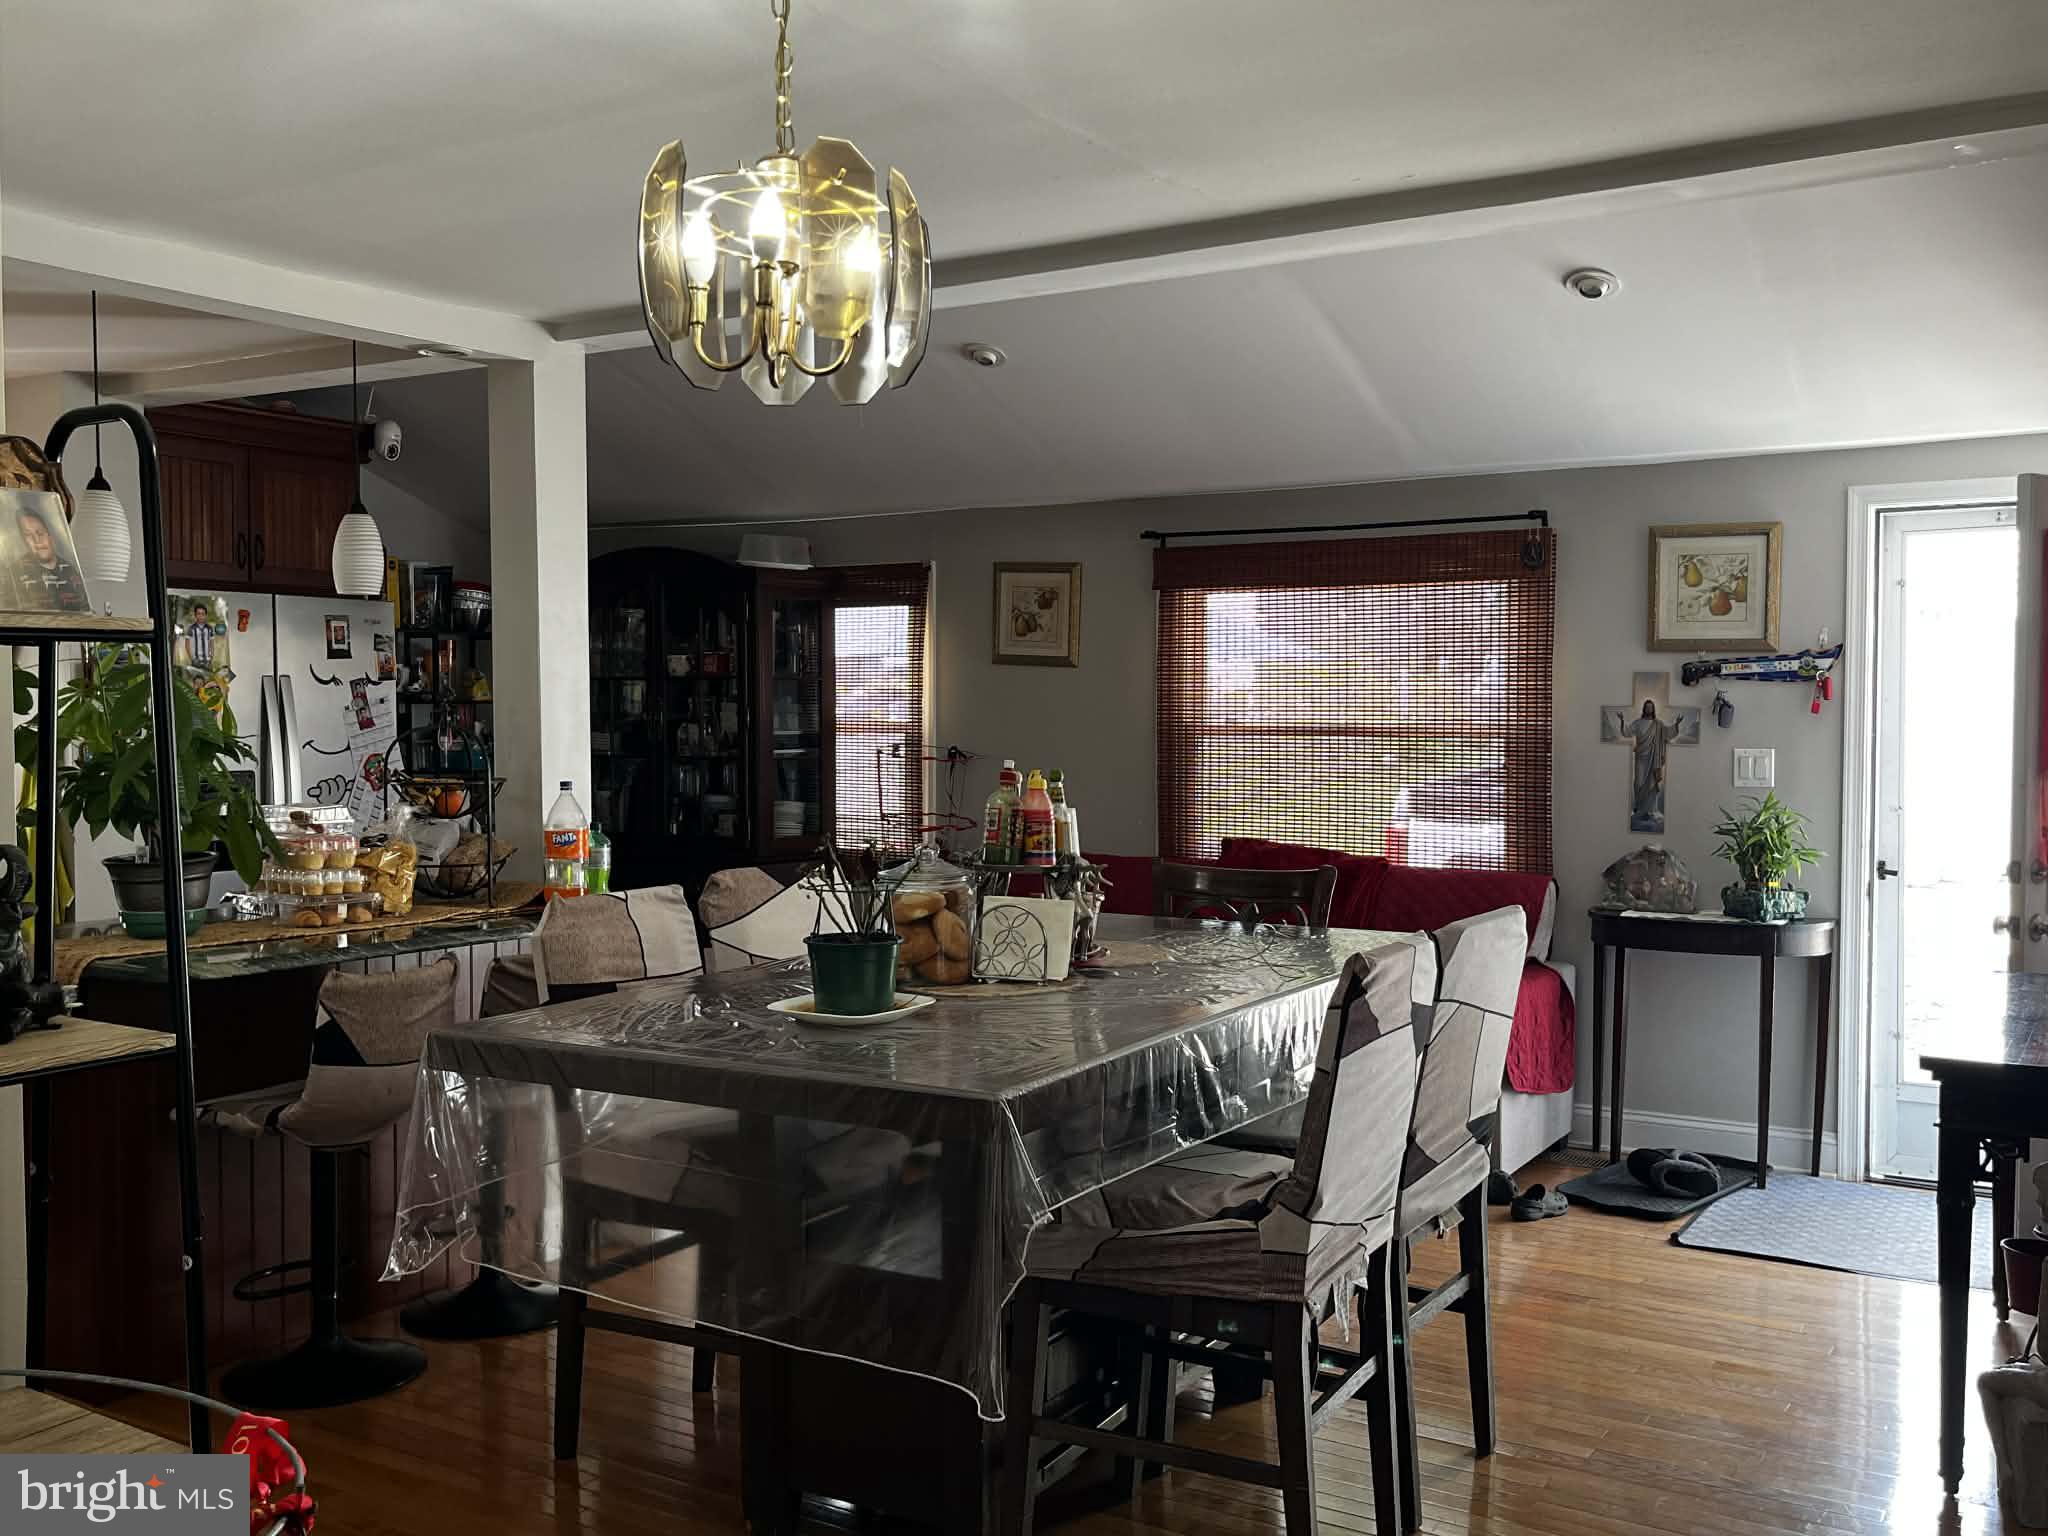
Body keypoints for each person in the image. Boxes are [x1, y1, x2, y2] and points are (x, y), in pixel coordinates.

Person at [13, 504, 90, 613]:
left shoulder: (70, 570)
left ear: (50, 536)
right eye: (28, 535)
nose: (37, 540)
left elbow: (86, 613)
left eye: (40, 533)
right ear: (23, 541)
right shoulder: (14, 573)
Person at [1623, 698, 1683, 834]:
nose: (1649, 709)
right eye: (1647, 707)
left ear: (1653, 709)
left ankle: (1651, 810)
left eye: (1651, 707)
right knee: (1638, 782)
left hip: (1654, 758)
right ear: (1644, 708)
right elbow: (1628, 731)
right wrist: (1622, 721)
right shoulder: (1638, 723)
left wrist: (1676, 724)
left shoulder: (1658, 724)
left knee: (1652, 783)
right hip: (1641, 758)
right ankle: (1640, 809)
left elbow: (1668, 732)